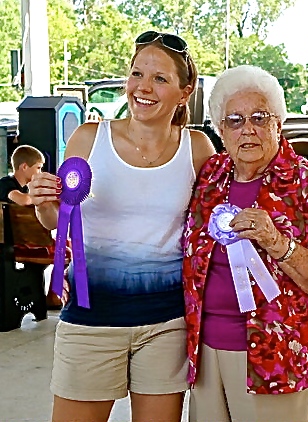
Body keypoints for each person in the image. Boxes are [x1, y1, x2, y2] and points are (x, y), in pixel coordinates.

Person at [28, 30, 215, 422]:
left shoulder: (197, 149)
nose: (143, 88)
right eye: (136, 74)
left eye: (160, 78)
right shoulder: (88, 138)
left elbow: (214, 231)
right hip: (90, 319)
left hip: (166, 325)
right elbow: (55, 222)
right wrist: (46, 201)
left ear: (185, 92)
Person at [182, 65, 308, 422]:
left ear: (278, 122)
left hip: (277, 356)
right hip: (205, 348)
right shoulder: (210, 175)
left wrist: (277, 242)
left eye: (260, 117)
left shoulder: (307, 183)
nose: (248, 129)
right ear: (220, 129)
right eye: (235, 120)